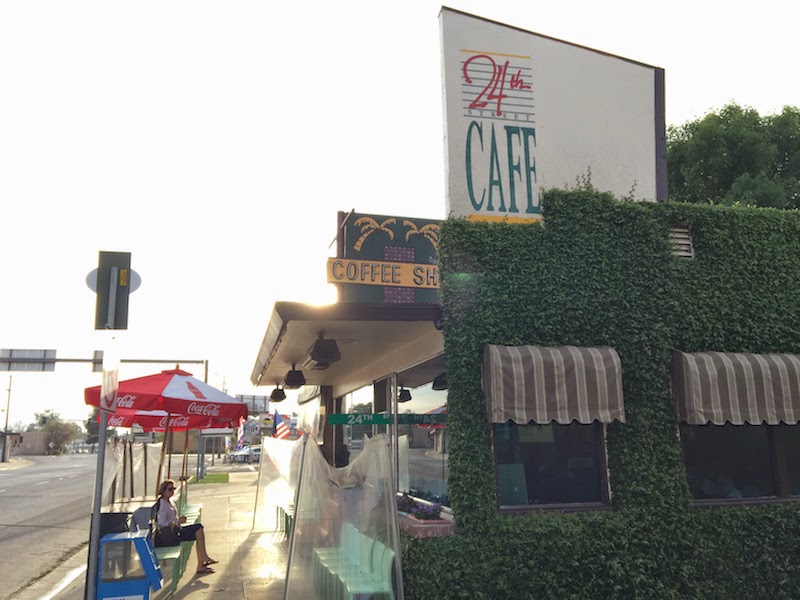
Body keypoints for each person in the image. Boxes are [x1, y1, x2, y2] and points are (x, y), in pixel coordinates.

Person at [155, 479, 218, 574]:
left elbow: (171, 519)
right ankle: (203, 559)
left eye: (173, 489)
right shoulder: (163, 504)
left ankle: (202, 563)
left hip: (175, 530)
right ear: (163, 491)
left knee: (198, 529)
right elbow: (161, 522)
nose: (172, 491)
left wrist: (178, 519)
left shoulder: (168, 501)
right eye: (169, 489)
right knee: (198, 529)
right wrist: (177, 520)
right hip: (170, 535)